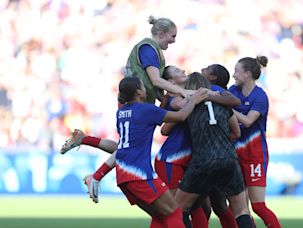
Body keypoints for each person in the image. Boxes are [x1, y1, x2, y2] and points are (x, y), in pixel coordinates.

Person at [59, 15, 194, 155]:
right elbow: (156, 81)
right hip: (134, 103)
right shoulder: (148, 49)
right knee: (129, 149)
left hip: (136, 102)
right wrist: (184, 93)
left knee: (128, 148)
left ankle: (85, 142)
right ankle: (94, 173)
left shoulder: (153, 50)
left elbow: (155, 87)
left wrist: (168, 99)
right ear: (161, 34)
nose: (174, 40)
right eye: (173, 36)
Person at [86, 76, 208, 227]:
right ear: (138, 92)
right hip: (140, 175)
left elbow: (127, 142)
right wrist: (194, 100)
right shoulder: (146, 110)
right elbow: (181, 116)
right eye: (143, 87)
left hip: (123, 176)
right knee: (174, 212)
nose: (146, 89)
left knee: (160, 217)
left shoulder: (122, 113)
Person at [174, 72, 254, 228]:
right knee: (241, 211)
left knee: (180, 209)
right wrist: (220, 140)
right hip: (228, 158)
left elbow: (167, 128)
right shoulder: (223, 104)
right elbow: (236, 132)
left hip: (202, 160)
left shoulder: (189, 104)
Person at [229, 56, 281, 228]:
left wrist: (226, 107)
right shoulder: (232, 91)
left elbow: (248, 121)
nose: (234, 74)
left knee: (258, 206)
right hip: (234, 155)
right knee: (239, 208)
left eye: (237, 71)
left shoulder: (260, 96)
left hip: (255, 155)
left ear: (248, 73)